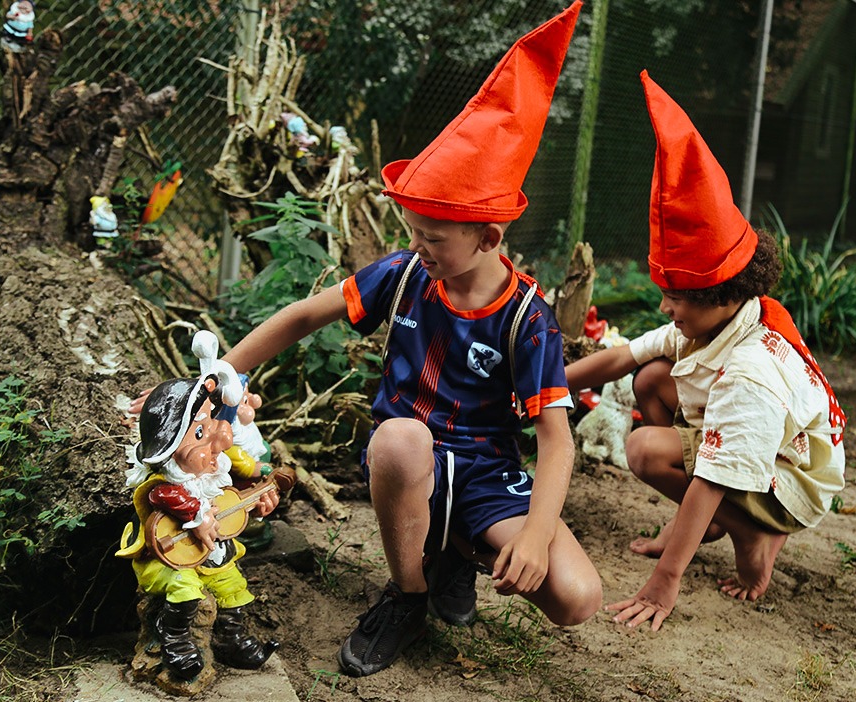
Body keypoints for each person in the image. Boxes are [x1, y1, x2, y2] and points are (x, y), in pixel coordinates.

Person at [215, 0, 601, 677]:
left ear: (488, 237)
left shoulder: (526, 318)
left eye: (434, 237)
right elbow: (304, 315)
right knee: (399, 437)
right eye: (413, 230)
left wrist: (538, 536)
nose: (417, 246)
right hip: (411, 453)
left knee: (577, 598)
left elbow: (556, 440)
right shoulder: (405, 274)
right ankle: (410, 592)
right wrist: (222, 375)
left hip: (484, 472)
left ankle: (456, 549)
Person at [564, 71, 846, 632]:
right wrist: (547, 386)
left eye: (678, 300)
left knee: (644, 449)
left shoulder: (751, 372)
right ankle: (719, 524)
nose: (667, 310)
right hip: (763, 441)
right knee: (649, 380)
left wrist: (665, 582)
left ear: (723, 295)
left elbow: (716, 474)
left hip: (791, 478)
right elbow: (624, 357)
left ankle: (753, 536)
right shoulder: (712, 323)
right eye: (665, 295)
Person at [117, 333, 291, 680]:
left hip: (211, 552)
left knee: (233, 585)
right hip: (167, 554)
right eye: (199, 432)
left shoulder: (214, 466)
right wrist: (196, 516)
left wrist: (257, 502)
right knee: (184, 588)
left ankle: (231, 638)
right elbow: (162, 497)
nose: (216, 436)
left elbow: (231, 501)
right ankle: (175, 641)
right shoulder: (165, 478)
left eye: (211, 421)